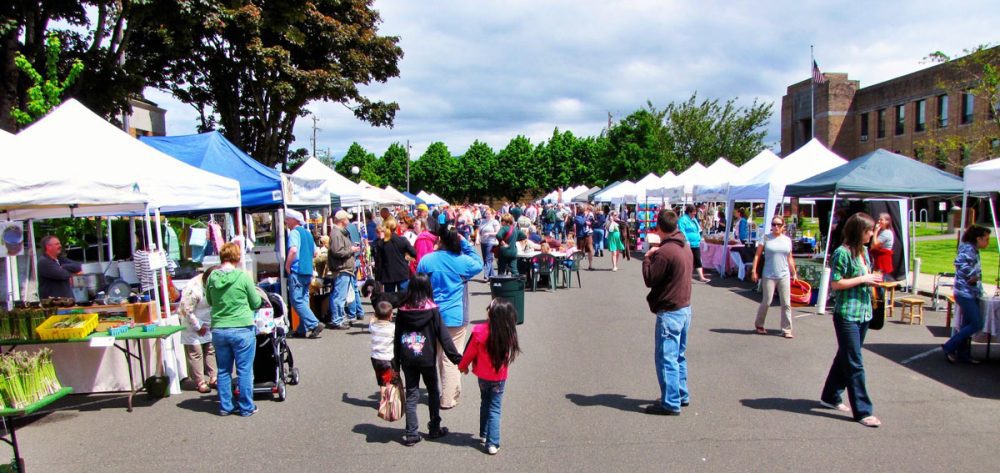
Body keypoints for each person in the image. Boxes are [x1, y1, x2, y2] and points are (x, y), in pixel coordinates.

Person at [820, 212, 883, 428]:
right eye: (869, 230)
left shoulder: (864, 252)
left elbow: (862, 278)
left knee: (845, 356)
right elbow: (836, 284)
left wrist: (872, 281)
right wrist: (864, 278)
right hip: (846, 313)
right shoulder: (842, 253)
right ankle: (863, 411)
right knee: (855, 361)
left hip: (864, 312)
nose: (872, 234)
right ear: (859, 231)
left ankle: (830, 395)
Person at [417, 228, 484, 410]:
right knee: (451, 357)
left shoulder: (427, 260)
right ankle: (448, 397)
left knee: (439, 356)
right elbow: (479, 264)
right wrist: (465, 243)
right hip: (455, 315)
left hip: (431, 314)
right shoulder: (461, 261)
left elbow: (418, 283)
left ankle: (448, 392)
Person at [394, 274, 463, 446]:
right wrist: (457, 358)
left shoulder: (402, 310)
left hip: (407, 358)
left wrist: (395, 361)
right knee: (433, 391)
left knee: (412, 394)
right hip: (427, 358)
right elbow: (444, 336)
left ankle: (411, 433)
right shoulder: (432, 309)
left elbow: (397, 337)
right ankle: (434, 428)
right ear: (428, 288)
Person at [641, 210, 693, 416]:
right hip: (684, 307)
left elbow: (650, 279)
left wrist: (647, 258)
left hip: (671, 309)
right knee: (678, 355)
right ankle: (680, 393)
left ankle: (671, 402)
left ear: (659, 228)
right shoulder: (684, 246)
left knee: (667, 357)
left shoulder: (666, 251)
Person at [205, 242, 262, 417]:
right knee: (244, 369)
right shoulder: (242, 277)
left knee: (223, 370)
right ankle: (246, 407)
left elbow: (209, 301)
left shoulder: (212, 278)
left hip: (220, 328)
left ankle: (226, 406)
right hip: (242, 327)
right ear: (237, 258)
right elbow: (256, 302)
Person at [459, 298, 522, 455]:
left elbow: (469, 352)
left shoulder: (479, 330)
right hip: (499, 377)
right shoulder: (508, 332)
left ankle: (484, 433)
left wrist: (463, 366)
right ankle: (492, 443)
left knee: (485, 402)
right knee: (495, 408)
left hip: (482, 375)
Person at [942, 225, 992, 364]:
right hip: (965, 293)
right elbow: (959, 263)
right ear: (978, 238)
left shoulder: (974, 250)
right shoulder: (968, 249)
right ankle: (949, 346)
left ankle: (963, 354)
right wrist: (972, 275)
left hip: (971, 292)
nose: (988, 242)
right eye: (986, 239)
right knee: (976, 324)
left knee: (967, 324)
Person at [751, 216, 798, 338]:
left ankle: (786, 329)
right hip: (769, 274)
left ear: (783, 226)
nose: (775, 227)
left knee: (786, 303)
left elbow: (789, 257)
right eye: (773, 224)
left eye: (778, 225)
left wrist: (794, 273)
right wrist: (753, 270)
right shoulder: (766, 238)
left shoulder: (787, 240)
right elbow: (757, 256)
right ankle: (759, 324)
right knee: (767, 301)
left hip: (784, 275)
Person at [178, 267, 217, 393]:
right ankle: (200, 381)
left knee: (210, 349)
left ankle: (213, 377)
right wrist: (198, 326)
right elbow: (186, 310)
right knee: (196, 352)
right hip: (193, 322)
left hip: (208, 321)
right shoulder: (193, 288)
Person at [284, 209, 322, 338]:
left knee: (296, 300)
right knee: (304, 299)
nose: (286, 221)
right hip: (307, 270)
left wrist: (287, 265)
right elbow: (315, 252)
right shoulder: (308, 233)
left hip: (297, 269)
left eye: (287, 219)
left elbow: (293, 250)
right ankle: (302, 328)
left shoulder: (294, 233)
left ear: (293, 220)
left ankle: (314, 323)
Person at [328, 209, 361, 329]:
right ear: (342, 220)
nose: (348, 220)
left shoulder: (340, 232)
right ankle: (337, 320)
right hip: (342, 268)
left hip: (344, 267)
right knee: (339, 296)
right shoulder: (337, 233)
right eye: (347, 218)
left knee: (341, 295)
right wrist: (351, 250)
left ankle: (339, 318)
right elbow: (337, 251)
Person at [374, 219, 417, 293]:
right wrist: (406, 255)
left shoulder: (381, 243)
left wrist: (378, 278)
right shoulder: (403, 240)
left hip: (388, 274)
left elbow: (379, 262)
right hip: (402, 272)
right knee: (403, 298)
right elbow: (414, 253)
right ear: (396, 227)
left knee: (390, 300)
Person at [37, 235, 83, 299]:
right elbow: (64, 275)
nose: (60, 246)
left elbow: (79, 266)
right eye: (57, 244)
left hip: (67, 301)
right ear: (48, 247)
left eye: (59, 243)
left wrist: (64, 266)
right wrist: (74, 274)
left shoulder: (60, 259)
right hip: (53, 304)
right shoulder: (44, 262)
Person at [679, 205, 710, 282]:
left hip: (696, 243)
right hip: (688, 243)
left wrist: (700, 237)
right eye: (693, 212)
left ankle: (701, 277)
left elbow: (698, 229)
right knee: (688, 261)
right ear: (689, 212)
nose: (695, 214)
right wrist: (686, 241)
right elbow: (682, 231)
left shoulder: (694, 219)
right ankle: (686, 277)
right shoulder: (683, 220)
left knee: (697, 259)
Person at [370, 300, 398, 387]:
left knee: (381, 382)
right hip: (387, 358)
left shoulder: (373, 326)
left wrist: (374, 317)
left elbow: (371, 320)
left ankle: (382, 398)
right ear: (390, 316)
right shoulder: (392, 328)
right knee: (389, 381)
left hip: (375, 358)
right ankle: (387, 399)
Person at [870, 213, 894, 280]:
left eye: (881, 220)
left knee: (880, 282)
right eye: (879, 220)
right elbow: (872, 245)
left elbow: (874, 244)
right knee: (877, 281)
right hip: (878, 260)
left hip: (882, 262)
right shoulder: (882, 232)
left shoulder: (886, 233)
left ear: (887, 221)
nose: (879, 221)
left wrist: (875, 231)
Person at [479, 208, 501, 280]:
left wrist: (489, 233)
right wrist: (477, 238)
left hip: (491, 241)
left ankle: (486, 275)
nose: (487, 215)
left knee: (488, 258)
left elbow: (497, 233)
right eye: (486, 213)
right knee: (485, 259)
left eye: (488, 214)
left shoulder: (495, 222)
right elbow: (479, 230)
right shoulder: (483, 221)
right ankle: (492, 275)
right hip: (483, 241)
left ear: (492, 214)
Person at [574, 206, 594, 270]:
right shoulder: (577, 217)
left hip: (588, 235)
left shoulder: (588, 215)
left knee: (590, 250)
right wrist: (585, 218)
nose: (583, 210)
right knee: (580, 250)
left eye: (584, 209)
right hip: (581, 235)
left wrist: (591, 221)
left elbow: (593, 222)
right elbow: (581, 223)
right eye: (581, 209)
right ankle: (577, 264)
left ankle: (590, 265)